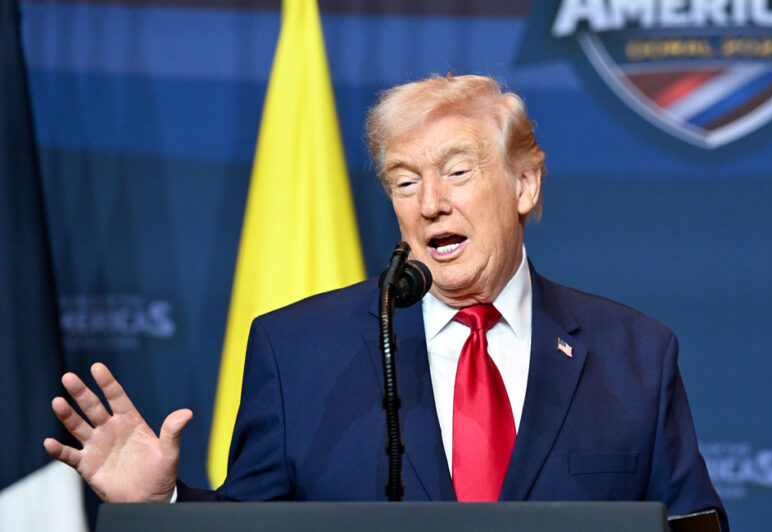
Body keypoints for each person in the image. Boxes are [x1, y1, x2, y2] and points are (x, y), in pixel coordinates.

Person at [44, 74, 727, 527]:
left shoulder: (633, 354)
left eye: (458, 172)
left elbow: (692, 526)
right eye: (404, 182)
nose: (431, 203)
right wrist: (157, 503)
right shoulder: (299, 352)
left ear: (525, 184)